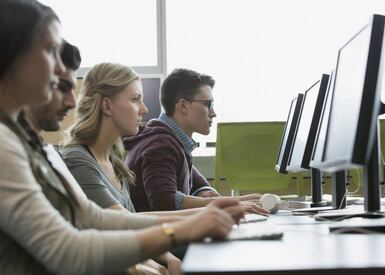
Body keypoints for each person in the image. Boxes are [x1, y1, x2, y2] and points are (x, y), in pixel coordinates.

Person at [0, 1, 242, 274]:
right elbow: (67, 251)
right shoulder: (5, 144)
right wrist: (183, 228)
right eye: (49, 52)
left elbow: (94, 218)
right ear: (14, 56)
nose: (59, 68)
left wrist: (201, 216)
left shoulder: (32, 142)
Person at [27, 41, 178, 275]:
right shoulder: (77, 159)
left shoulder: (116, 159)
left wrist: (167, 258)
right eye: (135, 99)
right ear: (106, 105)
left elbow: (131, 226)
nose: (144, 109)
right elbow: (120, 224)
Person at [124, 68, 265, 212]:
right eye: (207, 104)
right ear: (183, 105)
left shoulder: (171, 140)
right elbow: (165, 202)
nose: (213, 113)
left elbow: (198, 183)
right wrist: (234, 202)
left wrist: (205, 193)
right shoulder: (160, 146)